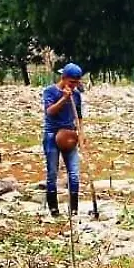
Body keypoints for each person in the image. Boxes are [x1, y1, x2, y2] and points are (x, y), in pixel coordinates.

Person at [43, 63, 84, 217]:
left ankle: (74, 209)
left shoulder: (77, 95)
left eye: (76, 83)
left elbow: (79, 117)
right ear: (64, 78)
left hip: (69, 135)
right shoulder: (50, 92)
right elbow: (50, 112)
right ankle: (53, 209)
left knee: (74, 173)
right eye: (71, 82)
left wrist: (81, 134)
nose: (74, 86)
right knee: (52, 172)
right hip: (52, 135)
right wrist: (64, 98)